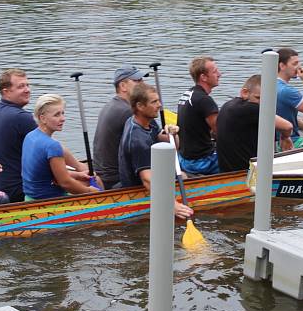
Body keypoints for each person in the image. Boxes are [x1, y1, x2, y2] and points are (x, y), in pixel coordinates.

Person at [119, 84, 193, 219]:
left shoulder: (148, 121)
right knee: (184, 176)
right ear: (140, 106)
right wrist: (172, 204)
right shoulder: (137, 139)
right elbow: (147, 180)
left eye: (158, 100)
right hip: (138, 188)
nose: (159, 105)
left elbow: (174, 146)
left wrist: (173, 134)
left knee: (182, 175)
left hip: (154, 176)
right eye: (154, 102)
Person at [22, 94, 100, 201]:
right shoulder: (52, 146)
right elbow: (65, 183)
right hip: (49, 202)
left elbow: (46, 174)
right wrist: (91, 192)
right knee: (97, 182)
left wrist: (78, 175)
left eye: (63, 113)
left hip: (29, 197)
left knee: (86, 179)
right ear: (43, 118)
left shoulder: (30, 136)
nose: (63, 119)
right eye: (57, 115)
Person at [216, 75, 293, 172]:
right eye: (258, 98)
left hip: (227, 170)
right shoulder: (251, 108)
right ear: (245, 93)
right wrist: (285, 137)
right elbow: (287, 127)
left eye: (267, 100)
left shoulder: (228, 105)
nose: (262, 103)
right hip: (245, 173)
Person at [0, 68, 36, 202]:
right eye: (21, 87)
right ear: (6, 92)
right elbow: (53, 150)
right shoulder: (22, 118)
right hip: (17, 191)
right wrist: (77, 169)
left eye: (27, 85)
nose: (27, 90)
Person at [93, 65, 145, 189]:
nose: (143, 84)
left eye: (142, 80)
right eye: (137, 81)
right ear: (123, 86)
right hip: (116, 179)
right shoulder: (128, 112)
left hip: (103, 174)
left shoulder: (110, 105)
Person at [177, 56, 221, 175]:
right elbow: (221, 132)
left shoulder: (186, 95)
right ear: (203, 77)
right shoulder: (204, 100)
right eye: (215, 71)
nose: (219, 74)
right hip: (201, 162)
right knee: (242, 155)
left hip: (184, 158)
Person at [276, 47, 303, 148]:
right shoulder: (287, 91)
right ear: (282, 66)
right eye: (294, 64)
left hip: (274, 140)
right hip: (289, 141)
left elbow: (286, 117)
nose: (299, 67)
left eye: (299, 63)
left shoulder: (269, 84)